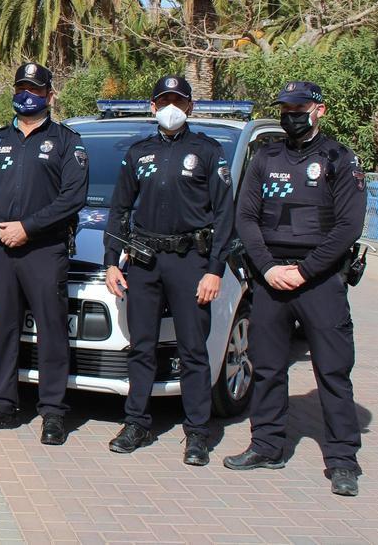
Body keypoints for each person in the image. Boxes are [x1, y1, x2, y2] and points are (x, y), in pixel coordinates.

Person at [223, 81, 367, 497]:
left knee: (333, 372)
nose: (291, 114)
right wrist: (268, 269)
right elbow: (245, 217)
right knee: (266, 366)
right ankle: (267, 445)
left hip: (319, 281)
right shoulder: (265, 158)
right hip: (271, 281)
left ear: (318, 110)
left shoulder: (339, 158)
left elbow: (348, 227)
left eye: (299, 106)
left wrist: (304, 272)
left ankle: (342, 460)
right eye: (286, 107)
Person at [102, 76, 234, 466]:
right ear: (153, 106)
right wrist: (112, 259)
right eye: (165, 100)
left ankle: (197, 433)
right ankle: (136, 423)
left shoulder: (208, 152)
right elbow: (120, 209)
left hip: (191, 262)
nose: (171, 106)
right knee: (142, 346)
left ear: (190, 107)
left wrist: (214, 270)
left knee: (193, 349)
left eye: (179, 100)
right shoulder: (138, 152)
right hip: (144, 261)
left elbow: (225, 215)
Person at [0, 62, 89, 444]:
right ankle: (0, 403)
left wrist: (28, 227)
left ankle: (52, 412)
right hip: (3, 249)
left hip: (45, 250)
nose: (26, 95)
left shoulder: (68, 142)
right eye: (21, 87)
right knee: (2, 327)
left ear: (50, 96)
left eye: (35, 89)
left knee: (52, 330)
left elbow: (73, 197)